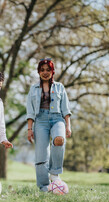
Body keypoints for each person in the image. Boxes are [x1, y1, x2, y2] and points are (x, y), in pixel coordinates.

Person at [26, 58, 72, 192]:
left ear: (53, 71)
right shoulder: (33, 88)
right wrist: (30, 129)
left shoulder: (60, 87)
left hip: (57, 118)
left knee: (59, 139)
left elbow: (66, 108)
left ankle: (54, 173)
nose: (45, 72)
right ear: (39, 72)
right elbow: (30, 111)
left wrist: (68, 125)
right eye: (42, 70)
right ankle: (44, 186)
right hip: (40, 120)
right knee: (41, 154)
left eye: (48, 70)